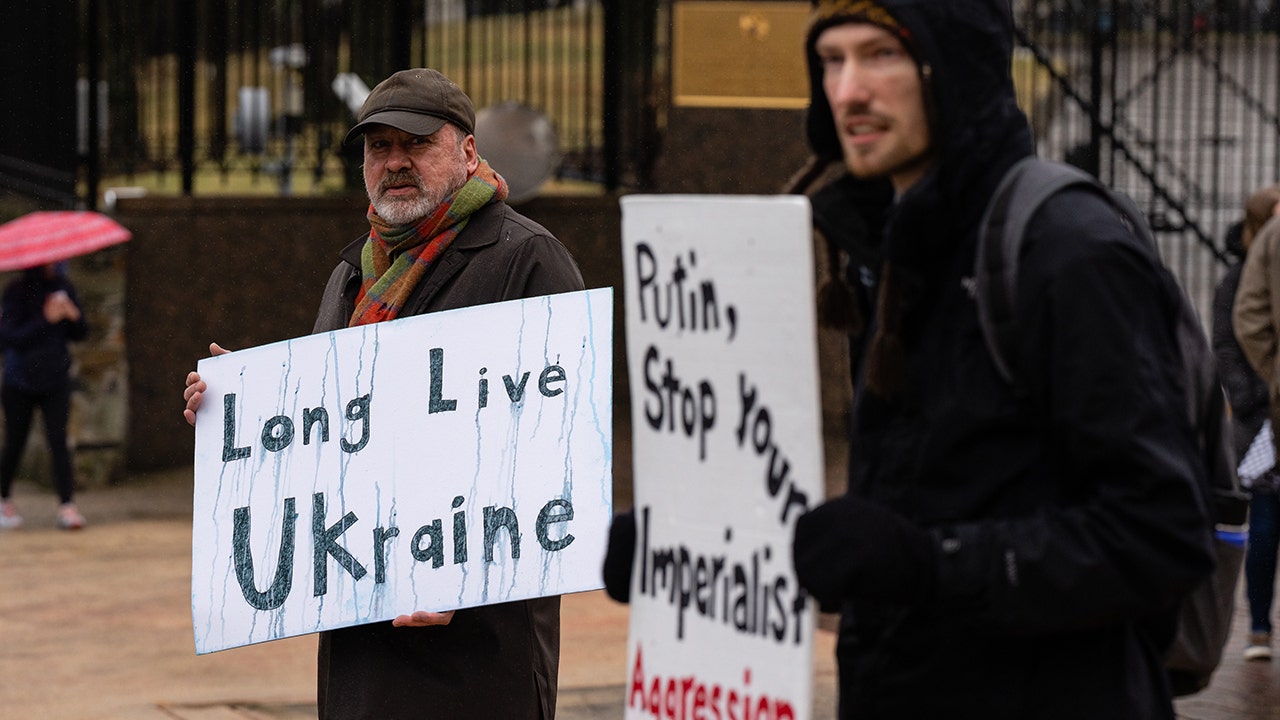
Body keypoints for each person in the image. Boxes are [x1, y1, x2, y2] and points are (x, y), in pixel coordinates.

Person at [784, 1, 1215, 717]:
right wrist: (685, 556)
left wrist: (934, 565)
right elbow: (913, 516)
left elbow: (1160, 535)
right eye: (830, 61)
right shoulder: (894, 248)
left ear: (954, 68)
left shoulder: (1067, 251)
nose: (847, 91)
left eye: (880, 55)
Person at [183, 68, 584, 719]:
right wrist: (241, 410)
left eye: (416, 144)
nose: (395, 162)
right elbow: (331, 431)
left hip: (478, 651)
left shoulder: (526, 260)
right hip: (361, 638)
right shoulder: (352, 274)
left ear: (468, 152)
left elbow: (559, 446)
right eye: (379, 147)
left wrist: (469, 571)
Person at [1228, 183, 1280, 661]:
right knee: (1265, 521)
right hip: (1262, 418)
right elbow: (1238, 327)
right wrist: (1262, 388)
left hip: (1271, 411)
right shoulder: (1245, 266)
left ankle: (1260, 627)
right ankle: (1259, 625)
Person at [0, 263, 88, 531]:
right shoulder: (15, 292)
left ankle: (67, 505)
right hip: (19, 382)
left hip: (56, 380)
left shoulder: (63, 288)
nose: (56, 264)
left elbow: (81, 333)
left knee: (59, 442)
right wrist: (45, 320)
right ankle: (4, 499)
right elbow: (9, 337)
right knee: (15, 441)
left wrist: (74, 316)